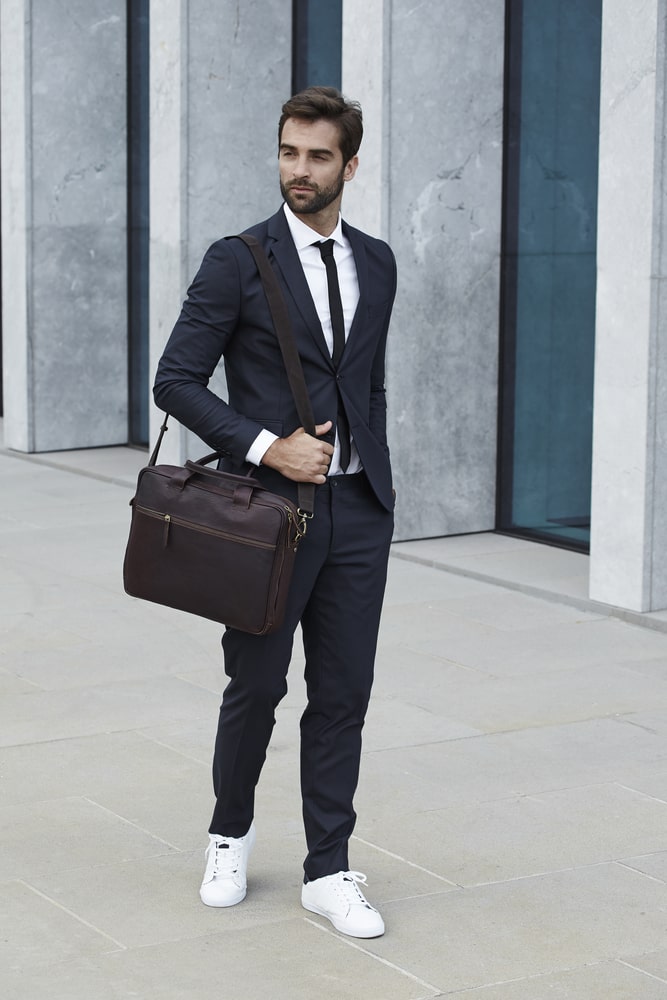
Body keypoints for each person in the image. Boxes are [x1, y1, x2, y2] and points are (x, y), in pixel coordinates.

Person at [153, 86, 397, 939]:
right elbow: (174, 379)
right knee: (255, 685)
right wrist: (266, 446)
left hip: (359, 511)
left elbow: (361, 382)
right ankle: (229, 836)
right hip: (266, 515)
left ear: (349, 166)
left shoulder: (378, 259)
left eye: (317, 156)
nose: (299, 170)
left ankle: (328, 868)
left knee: (343, 694)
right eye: (289, 152)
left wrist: (366, 461)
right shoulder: (238, 259)